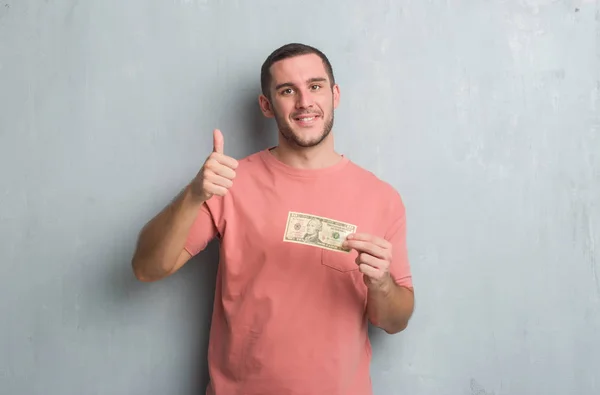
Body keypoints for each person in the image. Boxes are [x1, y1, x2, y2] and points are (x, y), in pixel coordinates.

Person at [131, 42, 415, 395]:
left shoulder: (380, 197)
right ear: (266, 105)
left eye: (315, 86)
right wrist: (193, 195)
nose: (304, 102)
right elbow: (147, 267)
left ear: (335, 94)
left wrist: (382, 284)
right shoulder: (229, 183)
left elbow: (394, 321)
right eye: (286, 90)